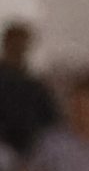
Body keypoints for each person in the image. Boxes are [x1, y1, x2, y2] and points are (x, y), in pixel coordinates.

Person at [0, 20, 58, 162]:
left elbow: (51, 119)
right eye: (14, 44)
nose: (18, 48)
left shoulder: (34, 84)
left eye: (22, 45)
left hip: (29, 150)